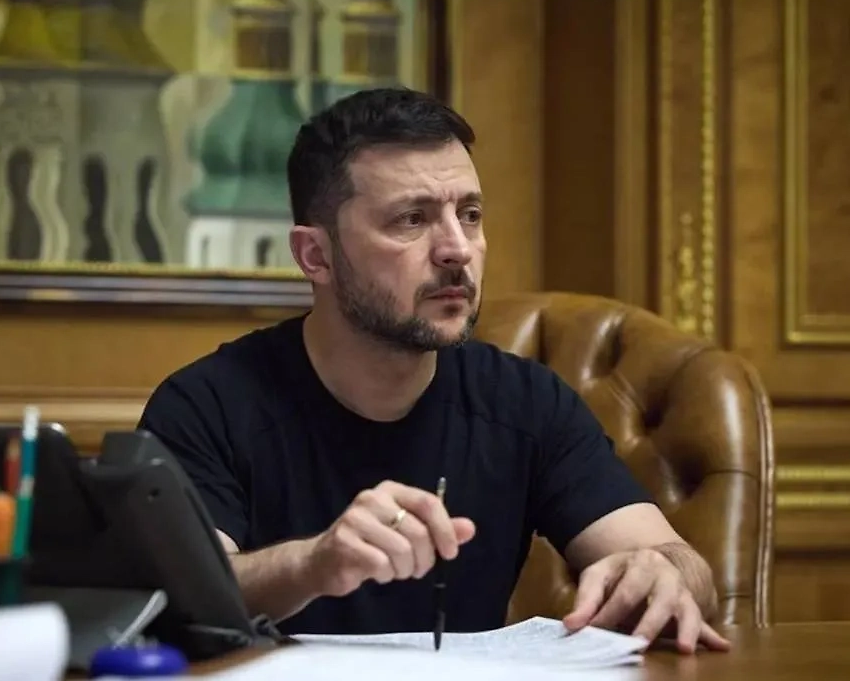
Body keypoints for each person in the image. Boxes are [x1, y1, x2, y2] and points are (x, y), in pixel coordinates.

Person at [138, 87, 729, 655]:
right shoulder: (206, 405)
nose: (457, 249)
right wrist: (314, 564)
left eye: (469, 215)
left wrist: (666, 572)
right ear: (315, 255)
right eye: (412, 219)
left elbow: (680, 565)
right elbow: (179, 598)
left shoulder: (527, 403)